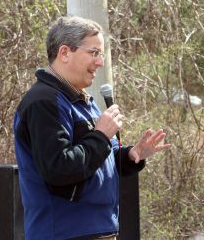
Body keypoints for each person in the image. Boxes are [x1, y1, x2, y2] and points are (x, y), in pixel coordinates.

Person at [14, 16, 170, 240]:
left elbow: (94, 161)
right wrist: (101, 135)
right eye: (94, 53)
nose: (100, 62)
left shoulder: (82, 100)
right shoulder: (44, 102)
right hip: (63, 233)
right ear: (65, 52)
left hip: (96, 230)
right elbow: (59, 168)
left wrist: (130, 155)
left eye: (101, 54)